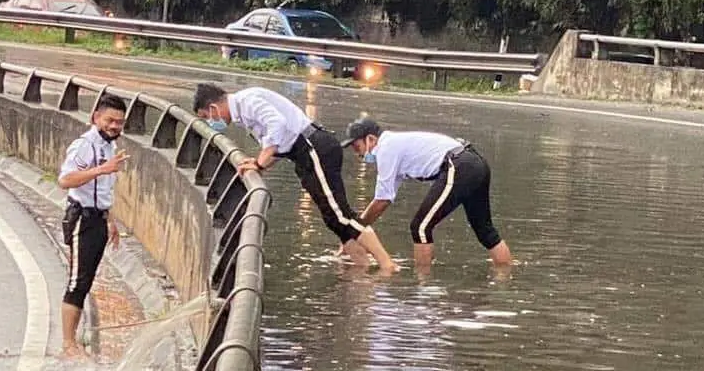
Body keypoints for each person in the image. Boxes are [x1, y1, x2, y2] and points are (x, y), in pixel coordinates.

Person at [193, 83, 398, 273]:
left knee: (340, 215)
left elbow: (278, 125)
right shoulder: (243, 110)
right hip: (303, 155)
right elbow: (280, 142)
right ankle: (361, 270)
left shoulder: (246, 102)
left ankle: (387, 265)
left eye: (207, 117)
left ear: (213, 108)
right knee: (332, 218)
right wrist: (260, 163)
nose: (211, 122)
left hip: (314, 148)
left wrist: (259, 163)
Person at [340, 117, 513, 272]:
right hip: (475, 163)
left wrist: (354, 231)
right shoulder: (394, 144)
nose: (358, 154)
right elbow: (386, 198)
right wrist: (356, 231)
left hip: (459, 166)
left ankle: (423, 283)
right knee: (484, 229)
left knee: (420, 227)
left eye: (357, 147)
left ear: (371, 139)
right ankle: (506, 278)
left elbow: (381, 201)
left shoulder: (386, 148)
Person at [57, 94, 130, 357]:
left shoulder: (109, 146)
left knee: (87, 281)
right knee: (78, 281)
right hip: (81, 219)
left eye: (119, 123)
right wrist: (102, 169)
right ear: (95, 118)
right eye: (110, 120)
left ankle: (74, 340)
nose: (114, 126)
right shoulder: (85, 146)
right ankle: (68, 343)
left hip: (98, 218)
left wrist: (111, 220)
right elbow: (65, 180)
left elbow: (104, 190)